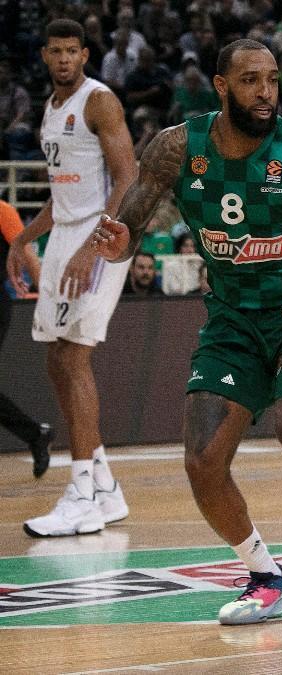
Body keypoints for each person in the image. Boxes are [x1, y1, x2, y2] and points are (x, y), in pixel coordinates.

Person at [89, 39, 282, 626]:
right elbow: (133, 216)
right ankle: (263, 574)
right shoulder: (177, 147)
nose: (266, 93)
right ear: (222, 86)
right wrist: (120, 238)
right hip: (230, 318)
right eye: (251, 80)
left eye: (274, 79)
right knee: (202, 459)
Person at [4, 19, 135, 537]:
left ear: (84, 55)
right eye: (54, 51)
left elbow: (129, 176)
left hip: (99, 240)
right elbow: (63, 196)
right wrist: (21, 238)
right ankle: (102, 484)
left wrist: (92, 245)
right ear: (43, 56)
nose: (63, 59)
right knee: (58, 359)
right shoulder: (51, 108)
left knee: (73, 357)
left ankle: (82, 491)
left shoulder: (99, 102)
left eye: (71, 51)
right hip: (63, 236)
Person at [0, 199, 54, 477]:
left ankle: (35, 434)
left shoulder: (3, 211)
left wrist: (50, 305)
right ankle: (35, 434)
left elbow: (29, 257)